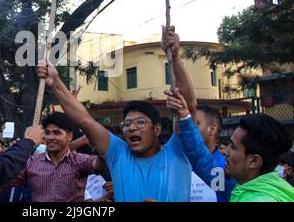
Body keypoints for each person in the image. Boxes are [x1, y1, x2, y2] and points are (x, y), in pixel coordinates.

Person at [37, 62, 192, 202]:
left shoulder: (177, 151)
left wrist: (176, 56)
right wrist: (55, 83)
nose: (132, 128)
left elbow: (189, 108)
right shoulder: (118, 153)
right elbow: (85, 120)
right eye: (127, 123)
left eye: (140, 122)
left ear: (157, 129)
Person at [166, 90, 294, 202]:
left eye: (233, 147)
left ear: (254, 161)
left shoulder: (260, 199)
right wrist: (184, 115)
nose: (225, 151)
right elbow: (202, 160)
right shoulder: (240, 185)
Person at [162, 26, 230, 202]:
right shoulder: (177, 154)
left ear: (212, 129)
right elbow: (188, 107)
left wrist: (176, 58)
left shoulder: (224, 168)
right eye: (188, 120)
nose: (188, 126)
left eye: (196, 123)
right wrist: (175, 57)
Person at [11, 112, 105, 202]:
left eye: (57, 133)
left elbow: (98, 165)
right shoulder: (31, 162)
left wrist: (100, 149)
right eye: (47, 133)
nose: (50, 137)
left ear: (69, 136)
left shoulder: (79, 161)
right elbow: (8, 181)